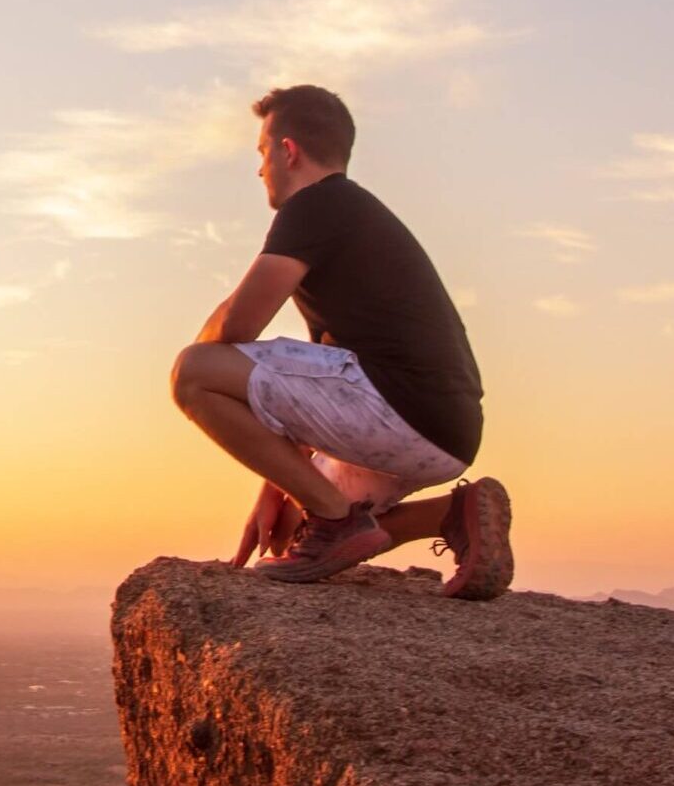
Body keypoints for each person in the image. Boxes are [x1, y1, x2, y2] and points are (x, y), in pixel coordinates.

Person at [169, 84, 512, 599]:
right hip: (444, 431)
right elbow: (311, 390)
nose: (260, 169)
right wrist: (278, 489)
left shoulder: (316, 206)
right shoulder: (353, 217)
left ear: (288, 151)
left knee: (193, 373)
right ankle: (452, 514)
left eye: (262, 153)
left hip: (398, 408)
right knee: (292, 534)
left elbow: (238, 326)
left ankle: (335, 519)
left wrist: (201, 353)